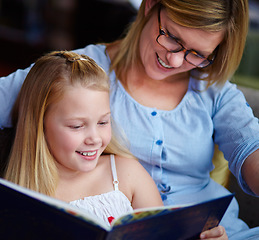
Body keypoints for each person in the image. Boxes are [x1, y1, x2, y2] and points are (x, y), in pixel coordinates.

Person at [0, 0, 258, 239]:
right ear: (150, 6)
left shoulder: (215, 91)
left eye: (198, 54)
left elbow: (251, 149)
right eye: (172, 37)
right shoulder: (78, 77)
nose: (175, 59)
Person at [3, 51, 164, 226]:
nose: (95, 138)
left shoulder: (128, 173)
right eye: (77, 126)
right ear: (39, 124)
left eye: (103, 122)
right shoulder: (20, 196)